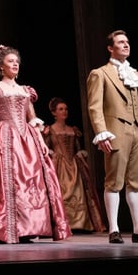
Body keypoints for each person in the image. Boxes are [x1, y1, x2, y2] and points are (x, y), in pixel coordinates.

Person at [0, 44, 71, 244]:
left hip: (27, 139)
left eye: (17, 61)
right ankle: (3, 228)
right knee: (6, 182)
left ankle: (28, 227)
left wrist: (41, 142)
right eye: (11, 61)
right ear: (1, 66)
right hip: (4, 135)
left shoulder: (26, 91)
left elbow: (32, 118)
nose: (15, 64)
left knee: (31, 181)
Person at [86, 29, 138, 244]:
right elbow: (95, 107)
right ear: (110, 48)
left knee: (136, 182)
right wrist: (101, 133)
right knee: (113, 181)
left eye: (127, 42)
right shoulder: (100, 73)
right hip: (115, 132)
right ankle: (114, 229)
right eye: (121, 42)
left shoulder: (137, 75)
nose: (126, 45)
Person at [43, 97, 106, 233]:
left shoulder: (73, 130)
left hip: (74, 165)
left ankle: (81, 224)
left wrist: (80, 154)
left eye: (65, 109)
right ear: (54, 113)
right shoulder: (50, 130)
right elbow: (46, 147)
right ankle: (62, 224)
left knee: (80, 193)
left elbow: (78, 148)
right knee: (61, 192)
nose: (64, 111)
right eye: (60, 109)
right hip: (58, 165)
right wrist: (52, 154)